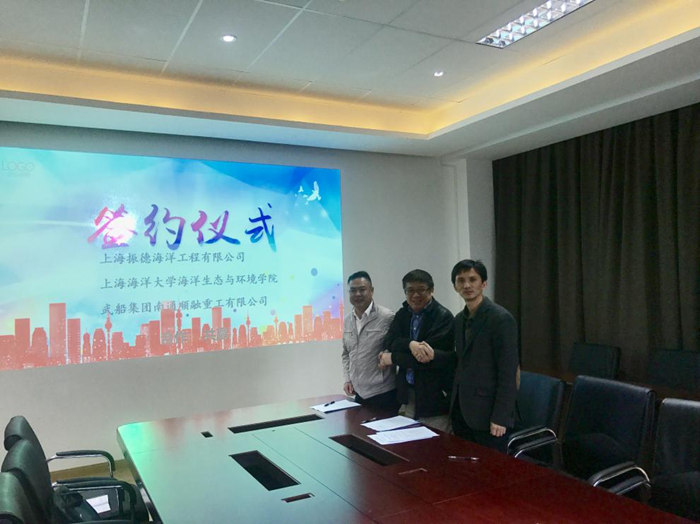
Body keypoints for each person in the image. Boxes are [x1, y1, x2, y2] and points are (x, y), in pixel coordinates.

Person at [449, 259, 519, 453]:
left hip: (489, 414)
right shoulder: (459, 320)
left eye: (473, 279)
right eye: (461, 280)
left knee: (491, 469)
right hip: (462, 410)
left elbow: (508, 372)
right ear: (455, 286)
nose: (467, 285)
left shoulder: (501, 319)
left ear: (484, 283)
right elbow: (461, 362)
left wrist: (501, 417)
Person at [379, 269, 455, 432]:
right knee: (407, 443)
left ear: (431, 290)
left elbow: (424, 359)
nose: (415, 295)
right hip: (408, 394)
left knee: (434, 444)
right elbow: (390, 341)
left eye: (421, 290)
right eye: (410, 290)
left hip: (433, 398)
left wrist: (391, 358)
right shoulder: (403, 314)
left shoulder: (443, 317)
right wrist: (410, 345)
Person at [342, 271, 398, 414]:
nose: (357, 294)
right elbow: (346, 353)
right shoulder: (348, 320)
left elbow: (396, 348)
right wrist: (348, 379)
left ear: (371, 291)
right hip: (359, 394)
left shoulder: (387, 317)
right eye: (353, 290)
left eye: (362, 289)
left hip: (383, 394)